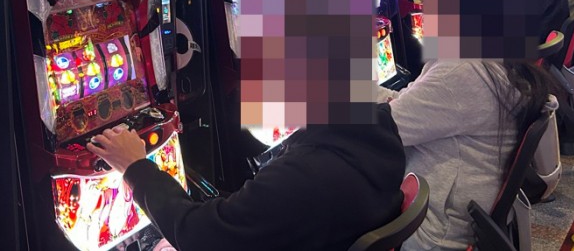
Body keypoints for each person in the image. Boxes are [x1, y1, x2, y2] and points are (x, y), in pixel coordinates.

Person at [87, 102, 406, 251]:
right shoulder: (373, 131)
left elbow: (201, 237)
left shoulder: (303, 177)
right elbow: (261, 212)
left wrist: (135, 167)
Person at [377, 60, 560, 251]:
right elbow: (403, 102)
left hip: (433, 233)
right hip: (458, 219)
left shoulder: (459, 72)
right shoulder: (484, 63)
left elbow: (381, 129)